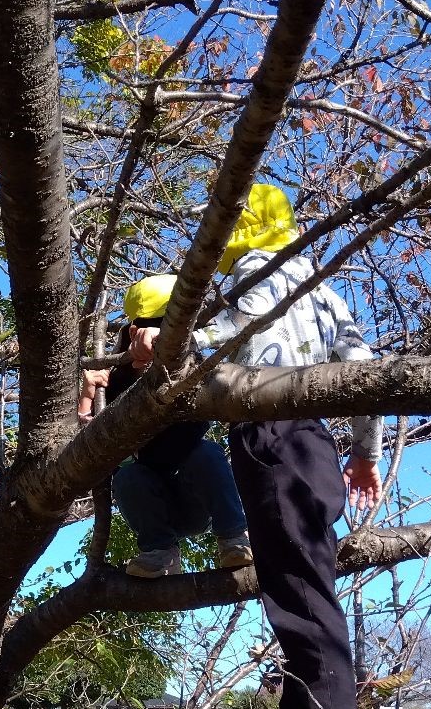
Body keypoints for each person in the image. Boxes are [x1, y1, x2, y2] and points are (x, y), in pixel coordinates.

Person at [128, 184, 384, 709]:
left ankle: (324, 699)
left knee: (294, 584)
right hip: (316, 444)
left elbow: (241, 327)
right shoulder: (324, 291)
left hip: (268, 433)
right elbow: (364, 370)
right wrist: (365, 452)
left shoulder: (256, 273)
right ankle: (310, 694)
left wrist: (175, 345)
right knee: (306, 576)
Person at [78, 274, 253, 579]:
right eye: (162, 328)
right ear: (135, 331)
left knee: (205, 453)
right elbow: (88, 447)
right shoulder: (114, 381)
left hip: (194, 494)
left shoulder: (194, 372)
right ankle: (160, 552)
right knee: (128, 477)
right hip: (152, 499)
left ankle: (234, 538)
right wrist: (88, 396)